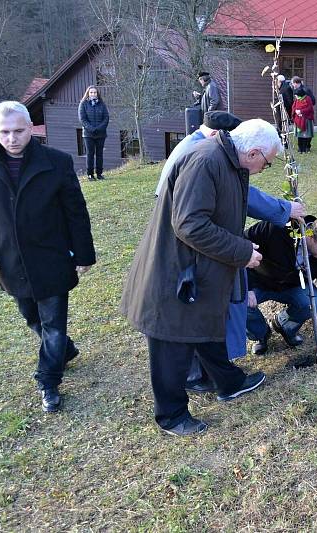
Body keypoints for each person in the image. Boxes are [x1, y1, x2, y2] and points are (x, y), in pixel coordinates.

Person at [120, 119, 281, 436]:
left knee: (205, 326)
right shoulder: (206, 161)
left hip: (197, 269)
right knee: (171, 343)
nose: (266, 167)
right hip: (173, 273)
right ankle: (172, 415)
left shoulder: (229, 162)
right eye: (268, 162)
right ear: (253, 152)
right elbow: (190, 225)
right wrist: (241, 250)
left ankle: (228, 383)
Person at [0, 101, 96, 413]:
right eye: (4, 132)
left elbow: (75, 211)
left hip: (51, 257)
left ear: (30, 129)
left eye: (19, 131)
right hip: (10, 261)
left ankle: (48, 381)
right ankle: (65, 349)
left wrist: (84, 253)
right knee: (31, 317)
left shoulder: (56, 162)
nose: (12, 138)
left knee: (52, 322)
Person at [245, 217, 317, 359]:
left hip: (292, 286)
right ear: (310, 236)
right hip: (258, 282)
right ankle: (260, 334)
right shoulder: (277, 227)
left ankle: (283, 324)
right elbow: (241, 247)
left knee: (314, 303)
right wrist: (246, 286)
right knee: (238, 300)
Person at [78, 85, 109, 181]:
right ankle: (90, 175)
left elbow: (106, 118)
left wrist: (99, 128)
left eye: (94, 92)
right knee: (90, 154)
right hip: (88, 134)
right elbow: (82, 119)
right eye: (91, 92)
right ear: (88, 93)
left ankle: (99, 174)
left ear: (97, 93)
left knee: (100, 154)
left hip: (101, 134)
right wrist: (91, 128)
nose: (93, 94)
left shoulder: (102, 104)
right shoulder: (83, 104)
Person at [292, 87, 315, 153]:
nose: (295, 96)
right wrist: (296, 111)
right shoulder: (297, 99)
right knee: (299, 134)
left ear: (300, 94)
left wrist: (301, 111)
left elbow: (310, 108)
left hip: (306, 119)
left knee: (305, 135)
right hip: (298, 119)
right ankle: (300, 148)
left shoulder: (308, 99)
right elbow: (294, 106)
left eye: (296, 95)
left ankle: (305, 148)